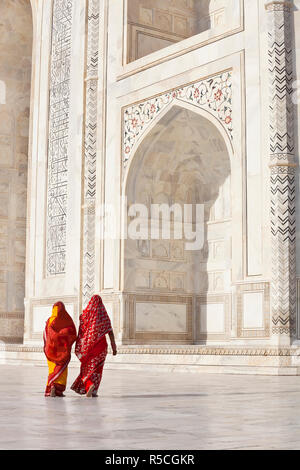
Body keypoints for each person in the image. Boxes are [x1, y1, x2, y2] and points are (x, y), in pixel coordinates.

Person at [71, 294, 117, 397]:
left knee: (86, 368)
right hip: (101, 347)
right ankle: (94, 390)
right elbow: (110, 332)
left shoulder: (85, 315)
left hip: (89, 347)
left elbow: (81, 331)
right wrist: (114, 347)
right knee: (98, 369)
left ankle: (89, 384)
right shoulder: (103, 316)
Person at [43, 301, 77, 397]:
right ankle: (58, 390)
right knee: (61, 372)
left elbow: (45, 335)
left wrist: (46, 347)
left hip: (50, 351)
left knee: (52, 370)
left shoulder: (49, 321)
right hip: (63, 352)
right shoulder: (67, 321)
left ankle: (52, 386)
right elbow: (73, 334)